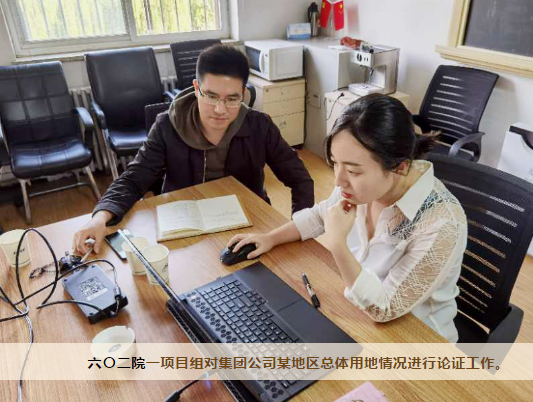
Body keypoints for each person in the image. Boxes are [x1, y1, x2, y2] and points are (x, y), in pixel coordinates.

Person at [229, 94, 467, 343]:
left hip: (415, 339)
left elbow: (385, 308)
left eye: (353, 171)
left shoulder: (443, 223)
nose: (339, 180)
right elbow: (320, 215)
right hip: (356, 312)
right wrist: (270, 238)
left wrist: (337, 244)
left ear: (400, 167)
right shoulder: (359, 186)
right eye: (335, 163)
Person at [73, 45, 314, 255]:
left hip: (248, 222)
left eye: (232, 99)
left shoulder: (260, 125)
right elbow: (134, 179)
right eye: (211, 96)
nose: (220, 110)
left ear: (243, 94)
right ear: (197, 87)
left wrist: (297, 229)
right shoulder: (167, 125)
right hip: (184, 226)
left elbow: (300, 179)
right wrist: (99, 218)